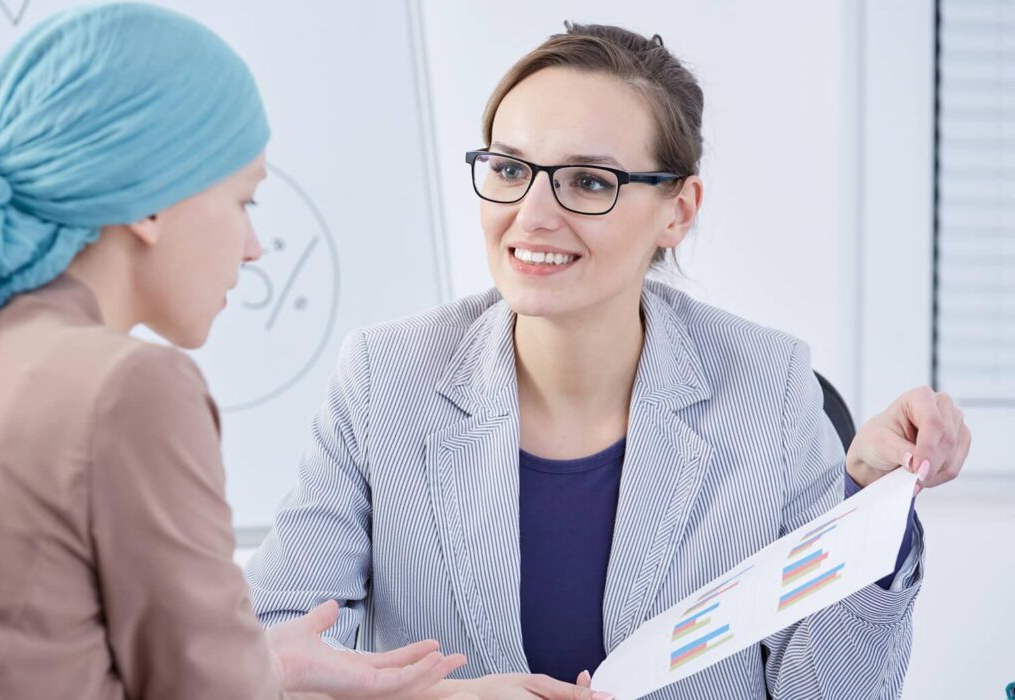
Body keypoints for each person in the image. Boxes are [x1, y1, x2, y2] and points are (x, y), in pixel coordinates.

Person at [244, 23, 970, 699]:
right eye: (509, 169)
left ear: (678, 210)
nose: (532, 215)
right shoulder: (385, 379)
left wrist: (869, 510)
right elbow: (269, 659)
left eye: (589, 181)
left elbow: (831, 690)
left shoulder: (770, 388)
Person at [0, 4, 472, 699]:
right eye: (244, 202)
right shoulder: (129, 388)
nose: (254, 248)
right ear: (150, 204)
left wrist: (269, 665)